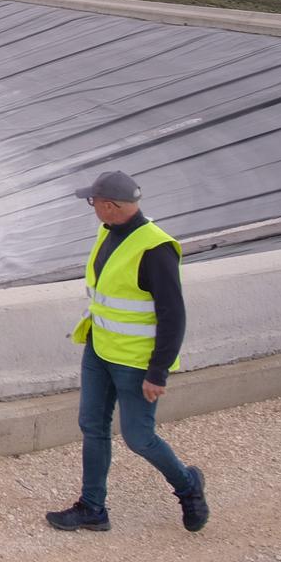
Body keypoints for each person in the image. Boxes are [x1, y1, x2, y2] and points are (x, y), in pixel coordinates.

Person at [46, 170, 209, 534]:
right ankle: (92, 508)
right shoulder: (109, 233)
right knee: (92, 426)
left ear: (109, 205)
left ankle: (188, 486)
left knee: (139, 437)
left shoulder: (155, 248)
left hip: (135, 362)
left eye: (93, 202)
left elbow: (173, 315)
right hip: (100, 350)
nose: (92, 208)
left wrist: (158, 372)